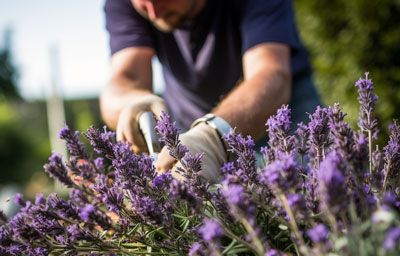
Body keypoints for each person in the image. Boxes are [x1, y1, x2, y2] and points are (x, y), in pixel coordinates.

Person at [101, 0, 320, 183]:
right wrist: (132, 102)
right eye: (143, 4)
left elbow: (269, 72)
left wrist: (213, 135)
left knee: (312, 200)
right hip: (191, 132)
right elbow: (126, 76)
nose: (153, 13)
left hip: (281, 117)